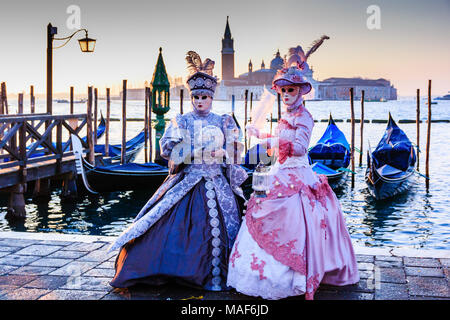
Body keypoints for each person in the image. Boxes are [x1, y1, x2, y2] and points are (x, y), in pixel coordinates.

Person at [226, 40, 360, 300]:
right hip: (280, 169)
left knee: (291, 218)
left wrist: (271, 140)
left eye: (291, 90)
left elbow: (298, 148)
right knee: (261, 207)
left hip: (297, 174)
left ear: (301, 91)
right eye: (284, 90)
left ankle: (294, 276)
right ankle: (257, 274)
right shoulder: (286, 116)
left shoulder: (305, 117)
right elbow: (279, 146)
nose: (287, 94)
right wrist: (260, 134)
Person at [109, 51, 248, 291]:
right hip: (189, 181)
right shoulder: (181, 121)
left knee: (226, 226)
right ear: (191, 97)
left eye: (204, 97)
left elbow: (236, 151)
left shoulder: (224, 121)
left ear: (212, 97)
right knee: (162, 225)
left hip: (217, 182)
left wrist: (223, 154)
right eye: (196, 97)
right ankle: (162, 269)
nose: (200, 101)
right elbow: (169, 150)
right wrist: (192, 152)